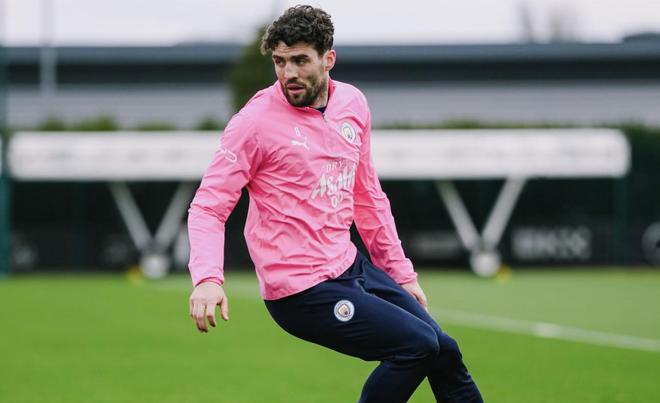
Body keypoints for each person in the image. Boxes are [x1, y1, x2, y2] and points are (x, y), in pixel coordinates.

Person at [187, 5, 483, 402]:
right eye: (279, 62)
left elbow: (368, 197)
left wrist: (400, 274)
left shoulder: (353, 104)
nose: (288, 73)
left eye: (300, 60)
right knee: (416, 346)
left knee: (444, 350)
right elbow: (208, 205)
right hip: (300, 290)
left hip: (349, 265)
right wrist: (208, 278)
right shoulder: (253, 122)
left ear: (328, 59)